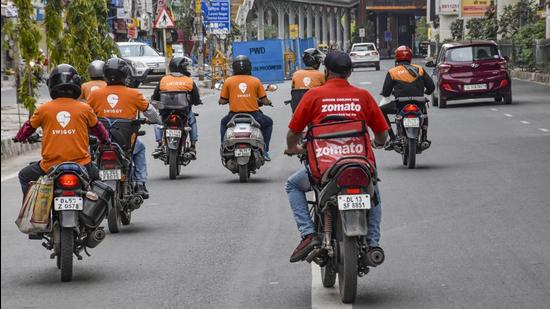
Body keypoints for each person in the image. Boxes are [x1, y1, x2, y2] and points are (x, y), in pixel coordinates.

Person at [284, 51, 389, 263]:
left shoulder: (312, 96)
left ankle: (308, 234)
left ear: (325, 72)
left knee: (292, 186)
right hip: (360, 166)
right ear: (350, 72)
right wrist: (379, 143)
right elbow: (381, 133)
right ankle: (372, 244)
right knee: (374, 194)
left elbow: (294, 132)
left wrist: (293, 148)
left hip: (323, 169)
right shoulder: (363, 96)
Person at [15, 64, 110, 196]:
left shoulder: (43, 109)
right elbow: (99, 129)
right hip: (82, 164)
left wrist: (19, 138)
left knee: (24, 176)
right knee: (101, 186)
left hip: (49, 166)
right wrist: (106, 141)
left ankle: (35, 214)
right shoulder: (85, 108)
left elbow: (27, 128)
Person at [87, 58, 160, 199]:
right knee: (140, 149)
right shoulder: (134, 94)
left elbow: (85, 114)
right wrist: (153, 120)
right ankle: (140, 183)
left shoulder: (95, 94)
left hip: (101, 143)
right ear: (125, 74)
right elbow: (152, 114)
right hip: (126, 143)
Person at [219, 55, 274, 161]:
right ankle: (265, 150)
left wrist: (229, 99)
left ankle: (224, 146)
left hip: (233, 116)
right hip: (254, 115)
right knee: (268, 123)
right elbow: (264, 100)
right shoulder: (255, 81)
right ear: (249, 67)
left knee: (223, 123)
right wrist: (268, 102)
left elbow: (222, 100)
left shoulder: (228, 81)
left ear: (234, 67)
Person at [380, 45, 435, 150]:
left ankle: (392, 138)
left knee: (381, 111)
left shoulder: (393, 72)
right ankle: (424, 138)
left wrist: (388, 93)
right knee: (424, 113)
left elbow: (386, 93)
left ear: (396, 57)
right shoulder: (420, 69)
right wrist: (425, 92)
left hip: (399, 104)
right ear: (410, 57)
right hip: (418, 103)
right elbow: (431, 87)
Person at [151, 57, 201, 158]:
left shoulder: (164, 80)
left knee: (158, 121)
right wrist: (197, 102)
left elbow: (155, 97)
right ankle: (192, 146)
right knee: (192, 121)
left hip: (165, 113)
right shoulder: (189, 81)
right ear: (183, 68)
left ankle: (160, 145)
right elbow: (196, 99)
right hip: (184, 114)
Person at [289, 48, 326, 112]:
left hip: (299, 108)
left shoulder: (295, 74)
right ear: (316, 61)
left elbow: (293, 90)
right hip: (316, 108)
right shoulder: (321, 75)